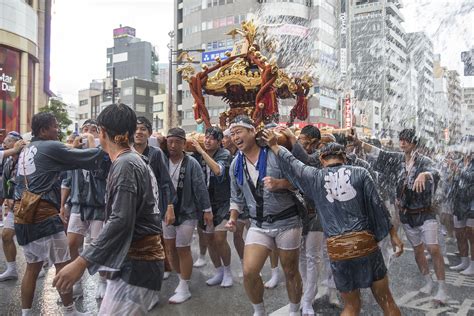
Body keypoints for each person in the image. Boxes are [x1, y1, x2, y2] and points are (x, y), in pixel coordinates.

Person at [262, 131, 403, 316]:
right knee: (386, 300)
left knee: (351, 306)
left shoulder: (316, 177)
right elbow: (378, 207)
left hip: (338, 251)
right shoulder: (361, 173)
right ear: (344, 157)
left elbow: (293, 163)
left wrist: (274, 145)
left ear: (321, 159)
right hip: (365, 245)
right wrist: (393, 235)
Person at [53, 103, 165, 314]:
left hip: (138, 265)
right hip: (134, 264)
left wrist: (81, 262)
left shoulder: (126, 164)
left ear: (102, 132)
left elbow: (121, 221)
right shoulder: (130, 160)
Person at [14, 112, 106, 316]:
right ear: (44, 129)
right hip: (44, 216)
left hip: (24, 214)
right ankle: (70, 311)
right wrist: (95, 143)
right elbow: (87, 157)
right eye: (55, 126)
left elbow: (67, 159)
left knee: (32, 268)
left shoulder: (28, 149)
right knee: (64, 264)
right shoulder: (51, 146)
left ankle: (26, 313)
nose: (58, 130)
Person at [353, 128, 446, 303]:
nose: (403, 143)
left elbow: (437, 172)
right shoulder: (397, 159)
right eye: (401, 140)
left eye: (407, 140)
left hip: (425, 212)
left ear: (415, 143)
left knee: (433, 248)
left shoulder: (424, 161)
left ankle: (441, 288)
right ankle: (427, 281)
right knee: (418, 250)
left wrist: (425, 175)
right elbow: (378, 153)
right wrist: (359, 143)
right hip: (406, 214)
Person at [225, 115, 302, 316]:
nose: (235, 137)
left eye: (238, 131)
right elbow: (236, 197)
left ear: (252, 131)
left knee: (291, 271)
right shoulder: (236, 165)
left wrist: (281, 184)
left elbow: (302, 181)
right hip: (258, 224)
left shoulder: (276, 153)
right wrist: (233, 217)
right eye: (232, 134)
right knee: (249, 272)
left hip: (287, 220)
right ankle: (259, 311)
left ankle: (294, 310)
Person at [60, 119, 111, 299]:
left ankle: (103, 281)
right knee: (72, 243)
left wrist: (91, 144)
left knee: (98, 246)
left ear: (99, 134)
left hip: (98, 205)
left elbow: (100, 172)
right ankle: (77, 283)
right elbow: (66, 180)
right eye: (85, 129)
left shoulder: (104, 152)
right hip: (77, 204)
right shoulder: (73, 153)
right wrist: (62, 205)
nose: (87, 132)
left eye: (93, 130)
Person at [162, 127, 213, 304]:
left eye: (177, 141)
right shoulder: (161, 160)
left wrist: (207, 210)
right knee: (169, 248)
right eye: (170, 141)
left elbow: (200, 188)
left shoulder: (191, 163)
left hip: (187, 211)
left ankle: (185, 286)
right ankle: (180, 278)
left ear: (185, 144)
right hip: (165, 212)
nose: (173, 145)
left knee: (182, 248)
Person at [133, 116, 175, 280]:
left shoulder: (156, 153)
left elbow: (165, 181)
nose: (139, 132)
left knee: (154, 239)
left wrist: (169, 206)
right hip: (131, 204)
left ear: (149, 133)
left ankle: (160, 270)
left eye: (143, 129)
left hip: (152, 205)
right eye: (136, 129)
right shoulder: (126, 151)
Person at [192, 126, 234, 287]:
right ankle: (219, 272)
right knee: (209, 239)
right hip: (205, 202)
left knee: (219, 237)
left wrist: (202, 152)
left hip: (223, 202)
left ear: (219, 142)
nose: (207, 141)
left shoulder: (224, 154)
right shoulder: (196, 155)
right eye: (206, 137)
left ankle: (228, 272)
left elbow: (218, 171)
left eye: (211, 138)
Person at [223, 128, 250, 278]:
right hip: (237, 203)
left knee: (258, 237)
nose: (226, 140)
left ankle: (272, 270)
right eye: (231, 135)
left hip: (253, 205)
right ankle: (244, 263)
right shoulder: (231, 159)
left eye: (227, 137)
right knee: (237, 235)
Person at [449, 151, 474, 275]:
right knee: (459, 233)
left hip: (472, 203)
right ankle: (464, 261)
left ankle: (473, 265)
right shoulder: (460, 161)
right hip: (459, 202)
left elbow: (471, 177)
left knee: (471, 234)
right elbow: (454, 182)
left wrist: (459, 170)